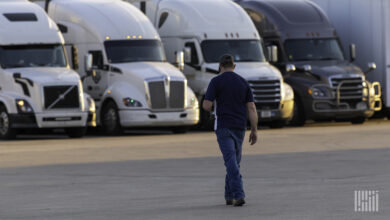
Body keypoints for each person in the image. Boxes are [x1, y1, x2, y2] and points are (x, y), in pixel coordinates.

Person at [202, 54, 258, 207]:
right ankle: (229, 195)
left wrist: (211, 109)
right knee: (234, 161)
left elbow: (207, 105)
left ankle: (237, 195)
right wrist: (254, 130)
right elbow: (252, 107)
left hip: (223, 126)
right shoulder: (243, 82)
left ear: (220, 67)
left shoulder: (216, 81)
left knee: (231, 161)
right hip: (240, 127)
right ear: (234, 67)